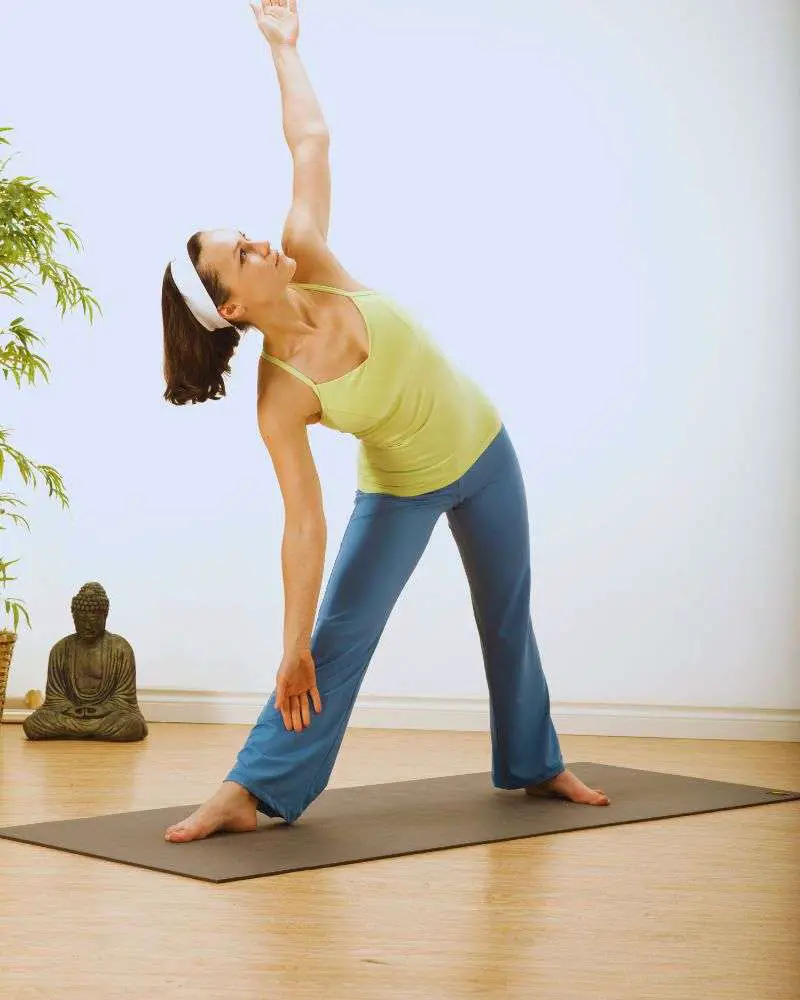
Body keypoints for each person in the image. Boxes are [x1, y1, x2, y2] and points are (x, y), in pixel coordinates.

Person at [159, 0, 609, 843]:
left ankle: (534, 761)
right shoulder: (281, 393)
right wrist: (290, 640)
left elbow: (310, 143)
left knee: (506, 612)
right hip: (401, 489)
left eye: (249, 235)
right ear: (230, 303)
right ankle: (247, 790)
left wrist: (284, 48)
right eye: (242, 254)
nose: (261, 242)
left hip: (486, 450)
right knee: (331, 645)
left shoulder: (312, 254)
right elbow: (303, 523)